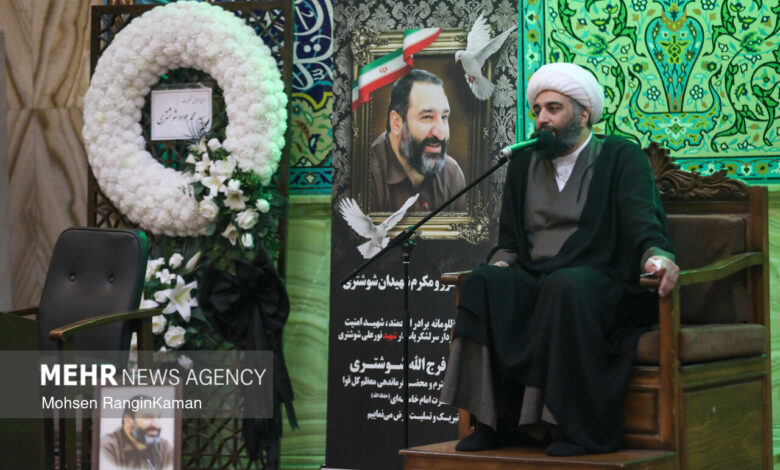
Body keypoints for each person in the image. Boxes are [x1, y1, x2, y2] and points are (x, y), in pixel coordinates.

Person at [439, 62, 679, 457]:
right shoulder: (522, 163)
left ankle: (568, 426)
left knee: (565, 285)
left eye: (553, 109)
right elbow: (510, 241)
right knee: (483, 282)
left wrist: (657, 257)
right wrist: (499, 265)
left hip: (599, 279)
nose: (542, 119)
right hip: (536, 276)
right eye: (537, 110)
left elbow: (643, 222)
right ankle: (491, 422)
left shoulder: (619, 156)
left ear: (583, 115)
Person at [369, 69, 466, 213]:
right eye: (427, 117)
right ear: (396, 123)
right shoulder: (366, 176)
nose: (440, 134)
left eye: (444, 117)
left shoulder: (451, 174)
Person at [101, 395, 174, 470]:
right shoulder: (107, 448)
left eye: (159, 417)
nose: (156, 424)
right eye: (148, 416)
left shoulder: (165, 448)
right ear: (128, 420)